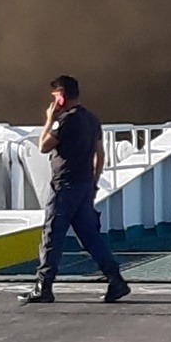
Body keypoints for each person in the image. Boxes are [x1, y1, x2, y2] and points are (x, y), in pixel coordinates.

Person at [28, 74, 128, 304]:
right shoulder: (92, 120)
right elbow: (99, 154)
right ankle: (116, 280)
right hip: (84, 186)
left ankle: (44, 286)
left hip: (65, 185)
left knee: (52, 234)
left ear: (61, 97)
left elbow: (43, 146)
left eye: (55, 97)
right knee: (90, 236)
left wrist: (49, 118)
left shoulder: (62, 121)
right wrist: (93, 182)